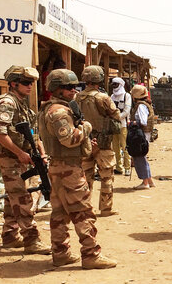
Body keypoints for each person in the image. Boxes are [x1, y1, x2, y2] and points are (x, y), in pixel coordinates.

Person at [39, 69, 117, 269]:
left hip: (59, 166)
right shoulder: (58, 112)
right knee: (83, 211)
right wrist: (86, 128)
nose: (73, 90)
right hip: (68, 168)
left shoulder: (52, 108)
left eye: (75, 86)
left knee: (59, 213)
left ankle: (61, 253)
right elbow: (69, 139)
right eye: (68, 87)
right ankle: (91, 255)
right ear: (57, 89)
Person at [0, 65, 50, 254]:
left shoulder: (21, 103)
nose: (30, 86)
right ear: (13, 83)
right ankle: (32, 240)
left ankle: (9, 236)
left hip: (22, 157)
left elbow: (33, 134)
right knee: (22, 198)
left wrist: (40, 153)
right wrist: (18, 153)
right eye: (25, 83)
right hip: (10, 158)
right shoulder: (8, 102)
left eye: (31, 83)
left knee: (13, 198)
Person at [76, 65, 122, 217]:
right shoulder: (103, 98)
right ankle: (106, 208)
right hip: (103, 143)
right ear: (99, 79)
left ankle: (85, 208)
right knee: (107, 176)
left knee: (85, 177)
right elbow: (116, 115)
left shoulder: (76, 97)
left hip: (84, 141)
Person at [131, 85, 156, 189]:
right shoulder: (145, 104)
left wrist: (132, 123)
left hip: (140, 134)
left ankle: (145, 182)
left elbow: (143, 121)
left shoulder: (140, 106)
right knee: (143, 157)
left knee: (139, 157)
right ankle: (149, 181)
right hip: (144, 134)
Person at [110, 77, 132, 176]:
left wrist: (118, 117)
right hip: (113, 125)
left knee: (125, 146)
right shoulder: (112, 97)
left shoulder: (126, 96)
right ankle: (119, 167)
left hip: (123, 125)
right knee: (115, 147)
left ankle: (127, 167)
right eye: (113, 84)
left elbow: (127, 111)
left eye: (116, 84)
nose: (114, 86)